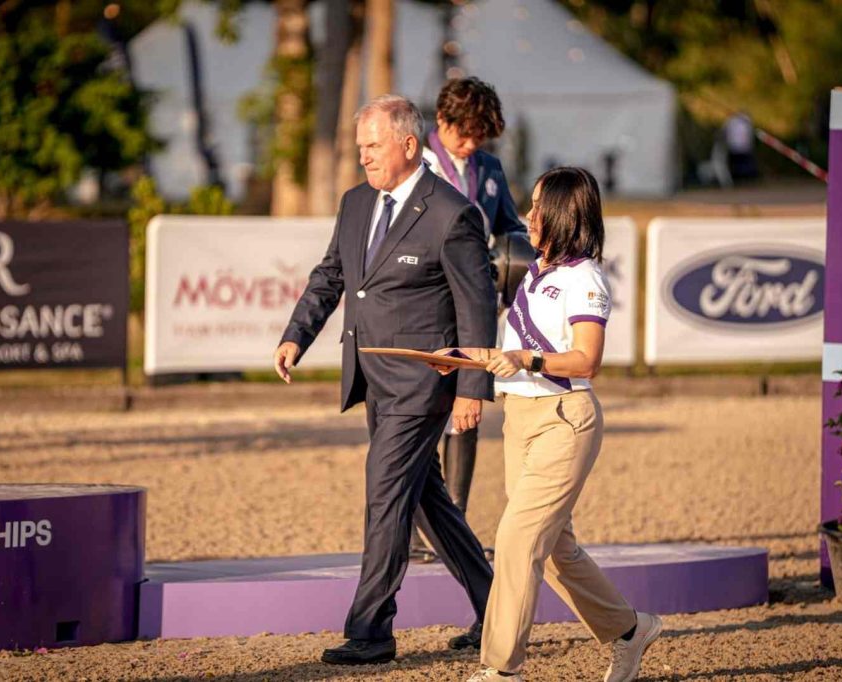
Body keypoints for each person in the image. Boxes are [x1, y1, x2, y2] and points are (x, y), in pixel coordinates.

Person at [273, 94, 497, 664]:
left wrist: (471, 389)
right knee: (426, 502)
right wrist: (296, 336)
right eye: (360, 148)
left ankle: (371, 631)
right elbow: (331, 275)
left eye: (373, 146)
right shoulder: (355, 203)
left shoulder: (452, 213)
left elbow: (476, 306)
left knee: (385, 491)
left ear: (408, 144)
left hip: (424, 385)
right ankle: (498, 606)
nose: (364, 157)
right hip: (373, 380)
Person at [428, 167, 661, 682]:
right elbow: (508, 354)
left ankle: (501, 667)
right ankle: (629, 630)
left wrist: (528, 360)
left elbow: (586, 360)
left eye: (537, 207)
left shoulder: (585, 278)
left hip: (564, 420)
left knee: (516, 539)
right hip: (520, 419)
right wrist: (465, 358)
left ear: (562, 214)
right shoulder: (535, 272)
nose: (528, 216)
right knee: (554, 550)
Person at [410, 77, 527, 566]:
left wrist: (509, 259)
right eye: (466, 133)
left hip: (476, 309)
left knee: (466, 414)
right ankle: (416, 532)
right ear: (442, 120)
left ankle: (453, 527)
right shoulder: (415, 165)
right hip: (424, 311)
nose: (473, 144)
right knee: (420, 417)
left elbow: (512, 230)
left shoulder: (490, 169)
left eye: (482, 135)